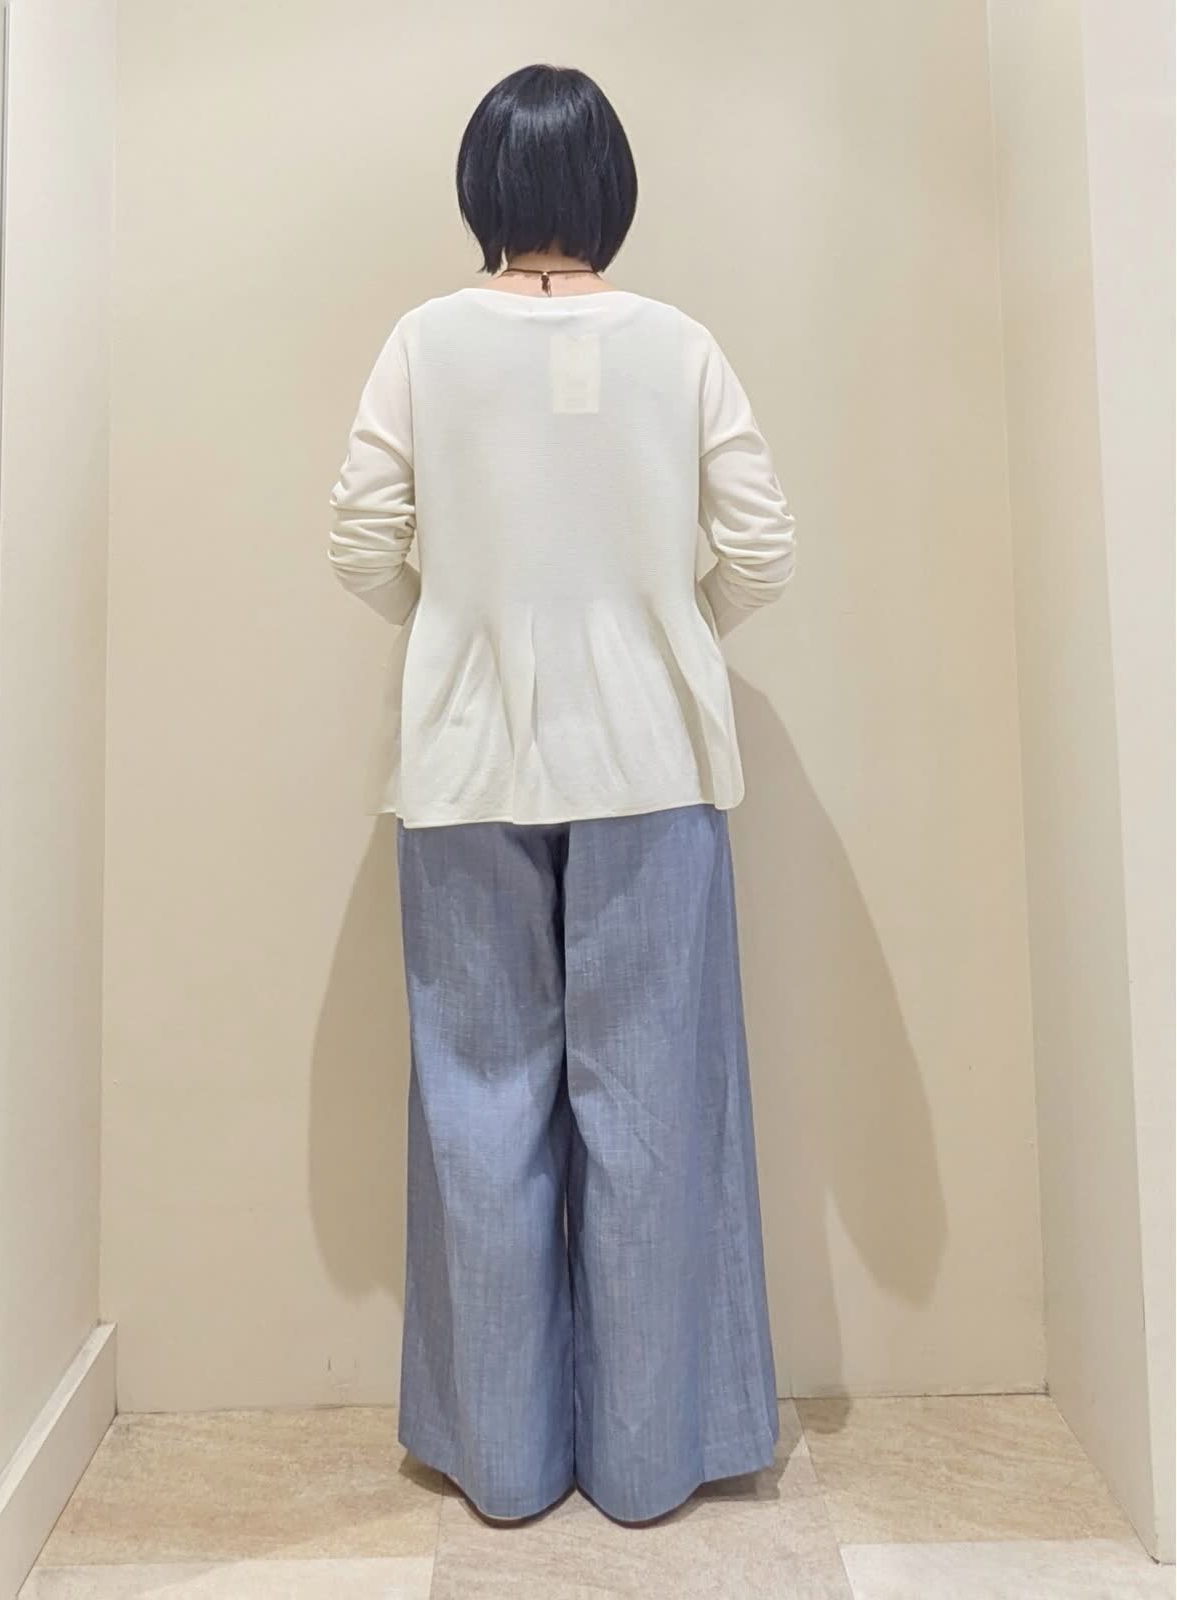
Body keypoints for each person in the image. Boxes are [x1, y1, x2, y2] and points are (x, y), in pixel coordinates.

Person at [327, 62, 796, 1527]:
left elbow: (360, 541)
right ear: (610, 190)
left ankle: (509, 1464)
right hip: (655, 769)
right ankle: (649, 1467)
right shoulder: (681, 345)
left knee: (483, 1112)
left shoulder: (423, 342)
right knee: (652, 1113)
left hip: (467, 768)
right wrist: (665, 633)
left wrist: (464, 628)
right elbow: (763, 550)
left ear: (484, 184)